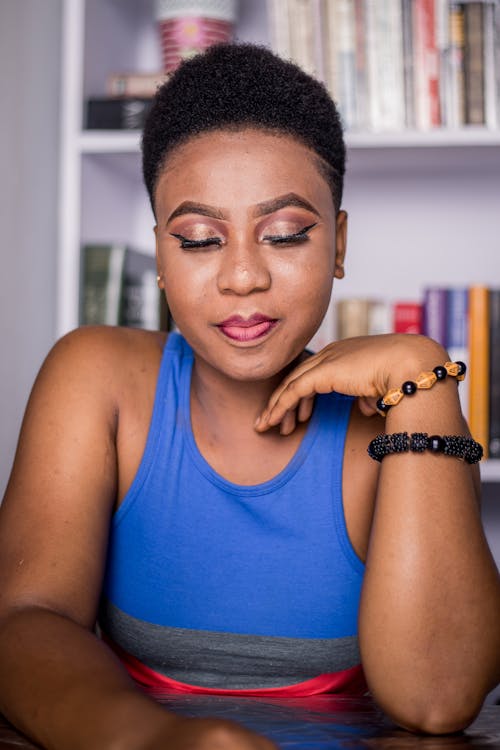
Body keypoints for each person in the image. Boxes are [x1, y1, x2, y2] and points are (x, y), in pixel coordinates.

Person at [0, 42, 499, 750]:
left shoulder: (383, 421)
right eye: (200, 240)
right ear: (162, 258)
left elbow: (437, 699)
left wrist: (422, 376)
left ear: (338, 243)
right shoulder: (97, 379)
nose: (241, 277)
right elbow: (23, 623)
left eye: (285, 234)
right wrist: (151, 740)